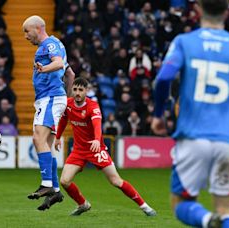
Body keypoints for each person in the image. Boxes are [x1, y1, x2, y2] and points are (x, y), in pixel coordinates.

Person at [151, 0, 229, 227]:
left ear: (198, 9)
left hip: (193, 136)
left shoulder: (184, 42)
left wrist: (158, 114)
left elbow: (163, 78)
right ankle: (219, 220)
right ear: (228, 11)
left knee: (180, 203)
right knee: (227, 211)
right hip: (228, 140)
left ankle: (206, 219)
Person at [54, 77, 156, 216]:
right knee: (64, 181)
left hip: (96, 149)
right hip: (78, 150)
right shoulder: (68, 104)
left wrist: (96, 140)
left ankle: (145, 207)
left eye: (81, 90)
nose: (77, 93)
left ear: (87, 91)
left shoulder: (93, 106)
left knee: (116, 181)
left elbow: (97, 124)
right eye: (75, 89)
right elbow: (64, 119)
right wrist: (58, 137)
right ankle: (83, 204)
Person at [22, 15, 73, 210]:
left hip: (50, 97)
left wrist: (43, 69)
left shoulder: (50, 44)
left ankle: (47, 184)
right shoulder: (56, 44)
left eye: (27, 31)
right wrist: (67, 101)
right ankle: (56, 190)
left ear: (37, 28)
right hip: (53, 98)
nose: (26, 36)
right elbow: (70, 74)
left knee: (38, 139)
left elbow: (59, 64)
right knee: (47, 146)